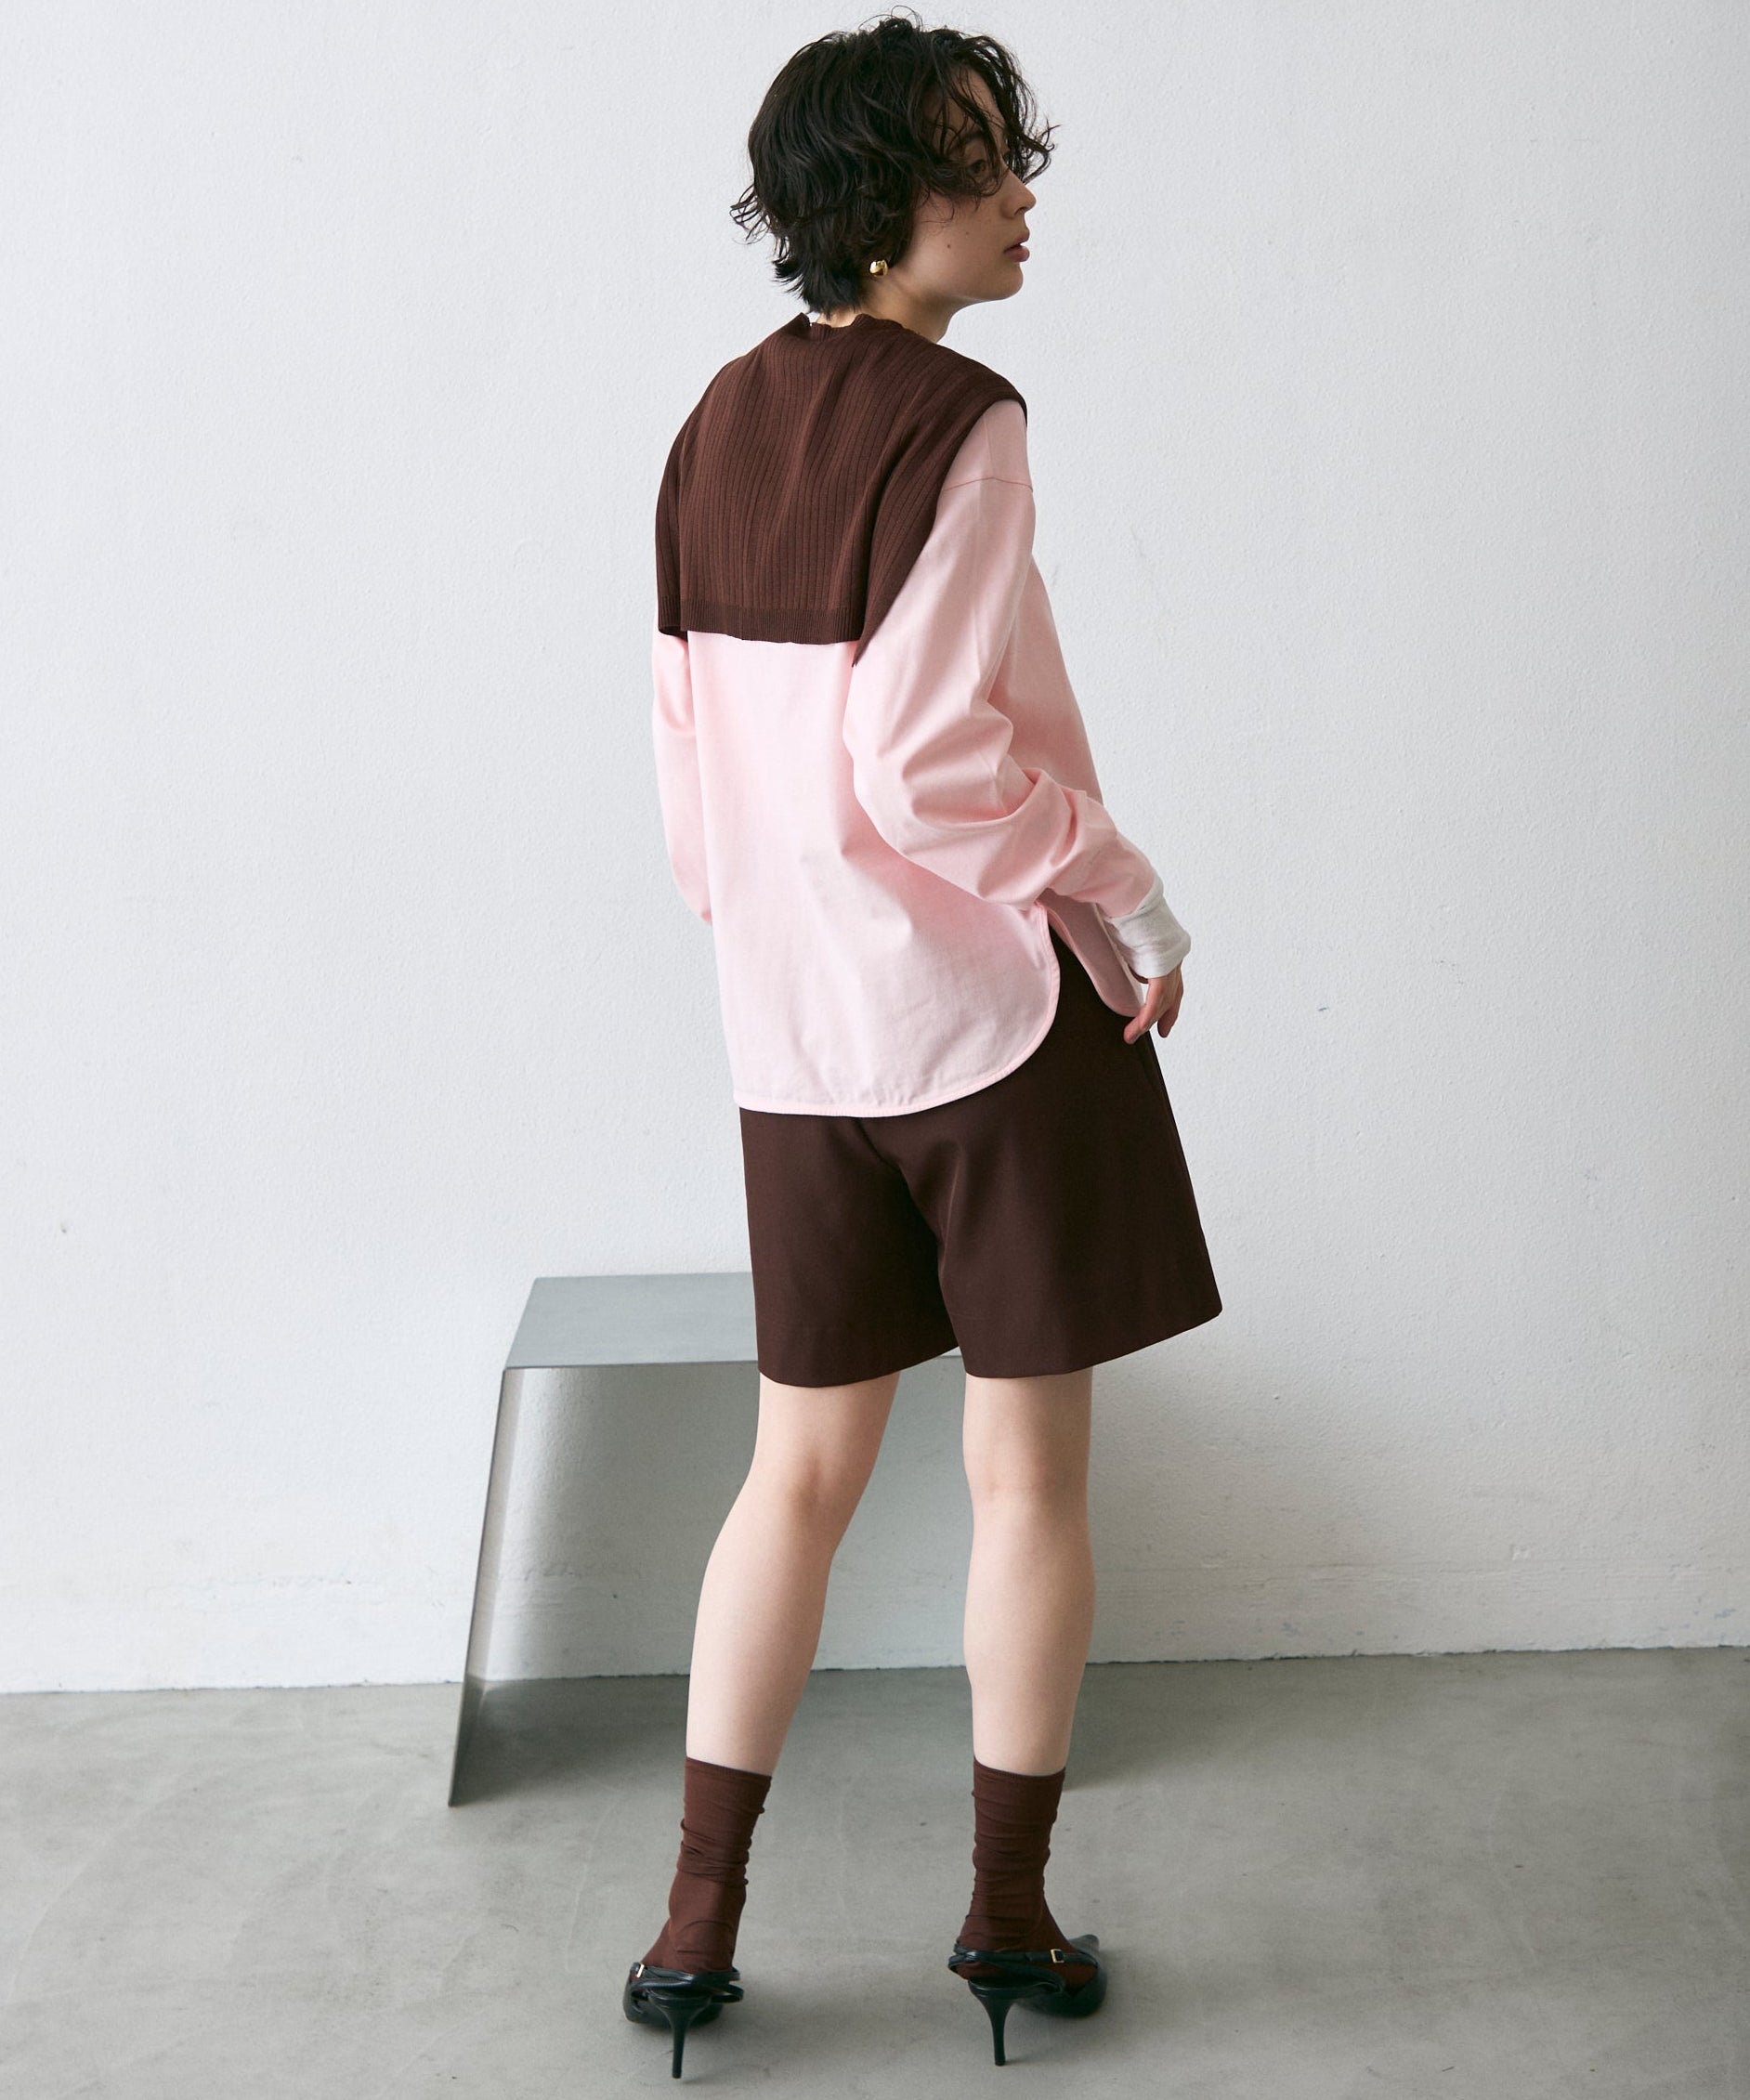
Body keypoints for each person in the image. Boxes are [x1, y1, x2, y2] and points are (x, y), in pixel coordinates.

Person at [622, 9, 1221, 2076]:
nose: (1022, 191)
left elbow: (693, 789)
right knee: (1024, 1478)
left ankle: (692, 1930)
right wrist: (1123, 890)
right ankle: (1006, 1920)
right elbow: (926, 759)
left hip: (797, 1040)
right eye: (980, 158)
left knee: (792, 1477)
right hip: (986, 1021)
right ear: (881, 202)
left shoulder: (714, 420)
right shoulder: (964, 418)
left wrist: (791, 943)